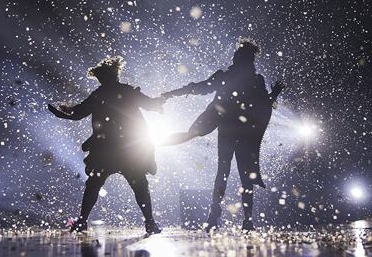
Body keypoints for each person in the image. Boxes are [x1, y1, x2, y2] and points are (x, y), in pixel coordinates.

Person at [161, 39, 285, 231]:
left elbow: (202, 87)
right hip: (239, 132)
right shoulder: (250, 79)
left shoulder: (238, 78)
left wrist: (173, 93)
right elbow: (264, 105)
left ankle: (223, 216)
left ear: (239, 58)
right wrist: (274, 94)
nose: (239, 58)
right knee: (239, 175)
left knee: (227, 173)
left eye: (241, 56)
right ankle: (240, 219)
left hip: (232, 131)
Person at [48, 56, 164, 235]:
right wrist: (158, 102)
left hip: (107, 150)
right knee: (139, 185)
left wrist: (62, 113)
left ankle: (82, 221)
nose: (101, 81)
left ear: (104, 77)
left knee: (94, 184)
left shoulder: (99, 94)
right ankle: (150, 223)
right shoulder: (125, 91)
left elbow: (77, 113)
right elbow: (149, 104)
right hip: (129, 149)